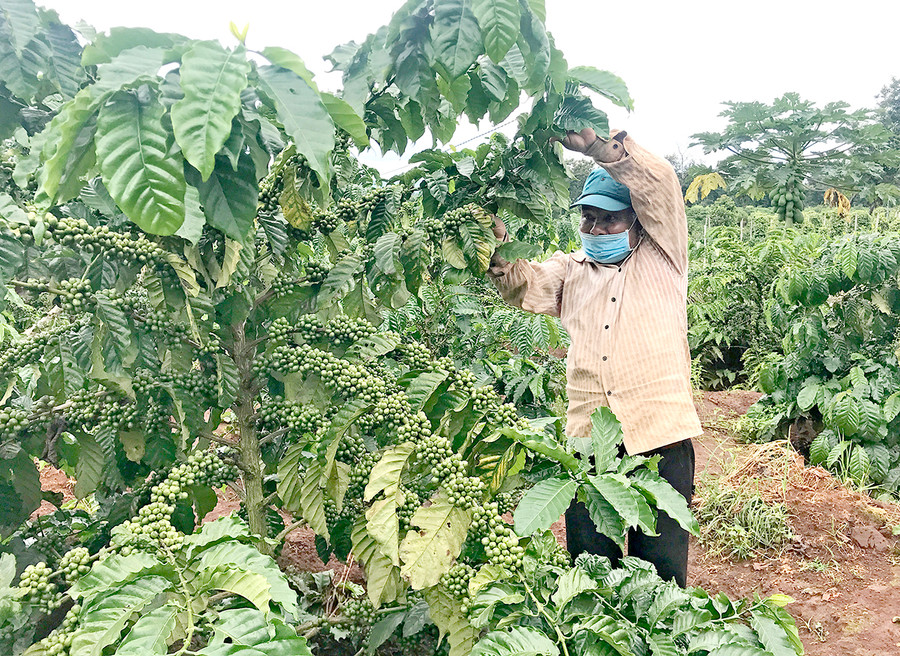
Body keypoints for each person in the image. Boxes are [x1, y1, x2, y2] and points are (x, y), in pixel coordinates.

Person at [486, 128, 702, 587]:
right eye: (587, 218)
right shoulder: (571, 270)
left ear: (638, 222)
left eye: (609, 220)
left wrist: (597, 149)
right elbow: (525, 285)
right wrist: (496, 252)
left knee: (661, 572)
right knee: (591, 566)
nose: (595, 229)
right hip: (588, 440)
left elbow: (660, 184)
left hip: (658, 434)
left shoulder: (664, 257)